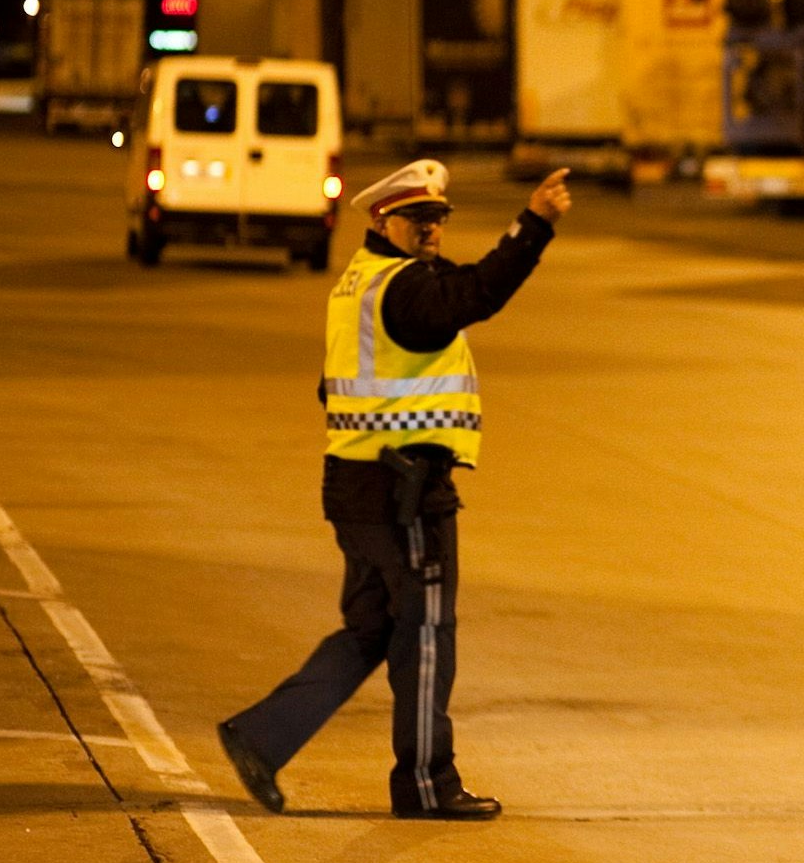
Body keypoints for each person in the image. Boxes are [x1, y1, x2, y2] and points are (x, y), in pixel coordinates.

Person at [218, 160, 572, 819]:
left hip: (354, 487)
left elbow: (331, 385)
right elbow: (476, 295)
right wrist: (533, 226)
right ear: (384, 222)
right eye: (418, 219)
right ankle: (426, 783)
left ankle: (261, 737)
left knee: (371, 629)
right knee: (427, 633)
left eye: (438, 218)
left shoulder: (359, 283)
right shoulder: (405, 290)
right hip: (403, 493)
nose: (431, 229)